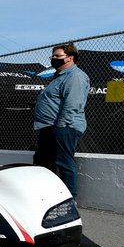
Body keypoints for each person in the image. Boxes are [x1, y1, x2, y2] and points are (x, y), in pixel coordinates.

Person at [33, 43, 90, 196]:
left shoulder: (75, 76)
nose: (54, 59)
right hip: (49, 127)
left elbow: (73, 103)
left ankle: (68, 199)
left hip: (64, 127)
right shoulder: (58, 77)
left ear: (70, 58)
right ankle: (49, 196)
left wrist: (61, 126)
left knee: (64, 163)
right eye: (52, 56)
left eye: (58, 56)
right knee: (44, 162)